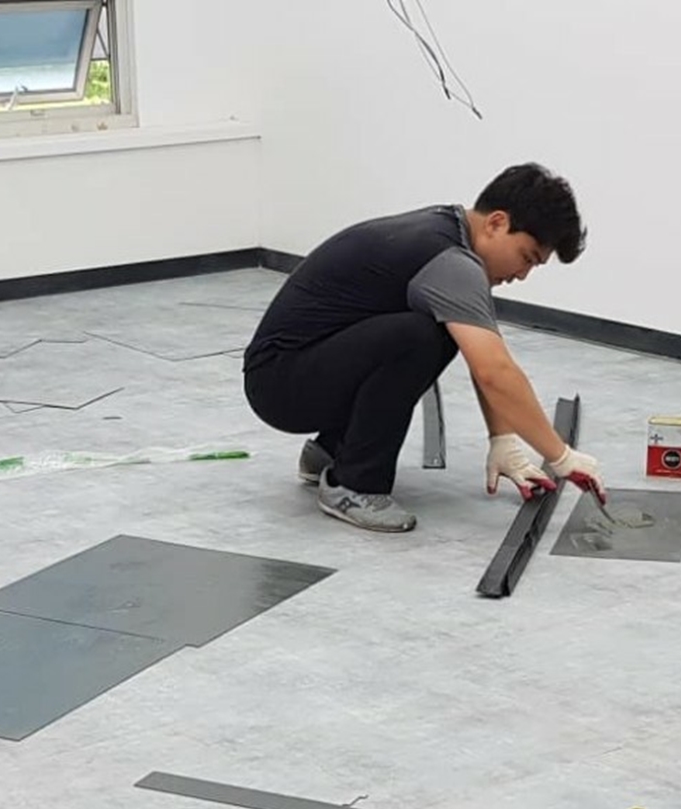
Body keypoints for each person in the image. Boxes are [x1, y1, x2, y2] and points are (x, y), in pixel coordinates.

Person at [242, 163, 604, 533]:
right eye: (526, 257)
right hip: (281, 385)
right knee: (419, 337)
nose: (523, 274)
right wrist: (560, 456)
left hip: (288, 372)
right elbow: (494, 372)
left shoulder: (447, 231)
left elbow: (485, 351)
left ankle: (331, 452)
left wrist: (503, 440)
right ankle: (354, 485)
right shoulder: (452, 264)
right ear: (496, 223)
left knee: (435, 333)